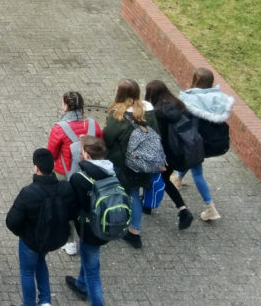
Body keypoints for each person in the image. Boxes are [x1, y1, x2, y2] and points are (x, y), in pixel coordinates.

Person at [6, 148, 77, 306]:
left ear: (36, 167)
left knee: (27, 272)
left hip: (30, 241)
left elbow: (12, 221)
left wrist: (23, 233)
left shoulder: (28, 193)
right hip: (51, 238)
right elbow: (72, 212)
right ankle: (45, 301)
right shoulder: (65, 188)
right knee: (40, 262)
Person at [102, 78, 161, 249]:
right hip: (145, 163)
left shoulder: (118, 115)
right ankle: (135, 230)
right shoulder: (148, 111)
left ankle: (113, 221)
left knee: (120, 191)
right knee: (135, 193)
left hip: (124, 164)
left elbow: (108, 139)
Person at [45, 90, 101, 255]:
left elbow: (52, 154)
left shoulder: (59, 128)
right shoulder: (93, 124)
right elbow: (101, 145)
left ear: (66, 106)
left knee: (67, 205)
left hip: (66, 173)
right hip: (90, 171)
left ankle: (70, 242)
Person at [174, 66, 233, 221]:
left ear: (195, 80)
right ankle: (178, 179)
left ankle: (210, 208)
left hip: (197, 143)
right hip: (214, 142)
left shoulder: (189, 99)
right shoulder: (220, 98)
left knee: (197, 172)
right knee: (193, 162)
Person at [65, 135, 115, 306]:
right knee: (90, 259)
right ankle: (80, 283)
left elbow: (73, 206)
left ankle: (95, 301)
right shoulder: (112, 172)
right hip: (108, 224)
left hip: (90, 229)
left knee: (93, 270)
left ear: (86, 154)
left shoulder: (79, 179)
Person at [144, 80, 197, 230]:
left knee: (160, 178)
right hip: (179, 152)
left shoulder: (158, 113)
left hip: (165, 155)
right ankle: (148, 204)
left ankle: (183, 210)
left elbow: (157, 137)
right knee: (161, 178)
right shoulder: (179, 105)